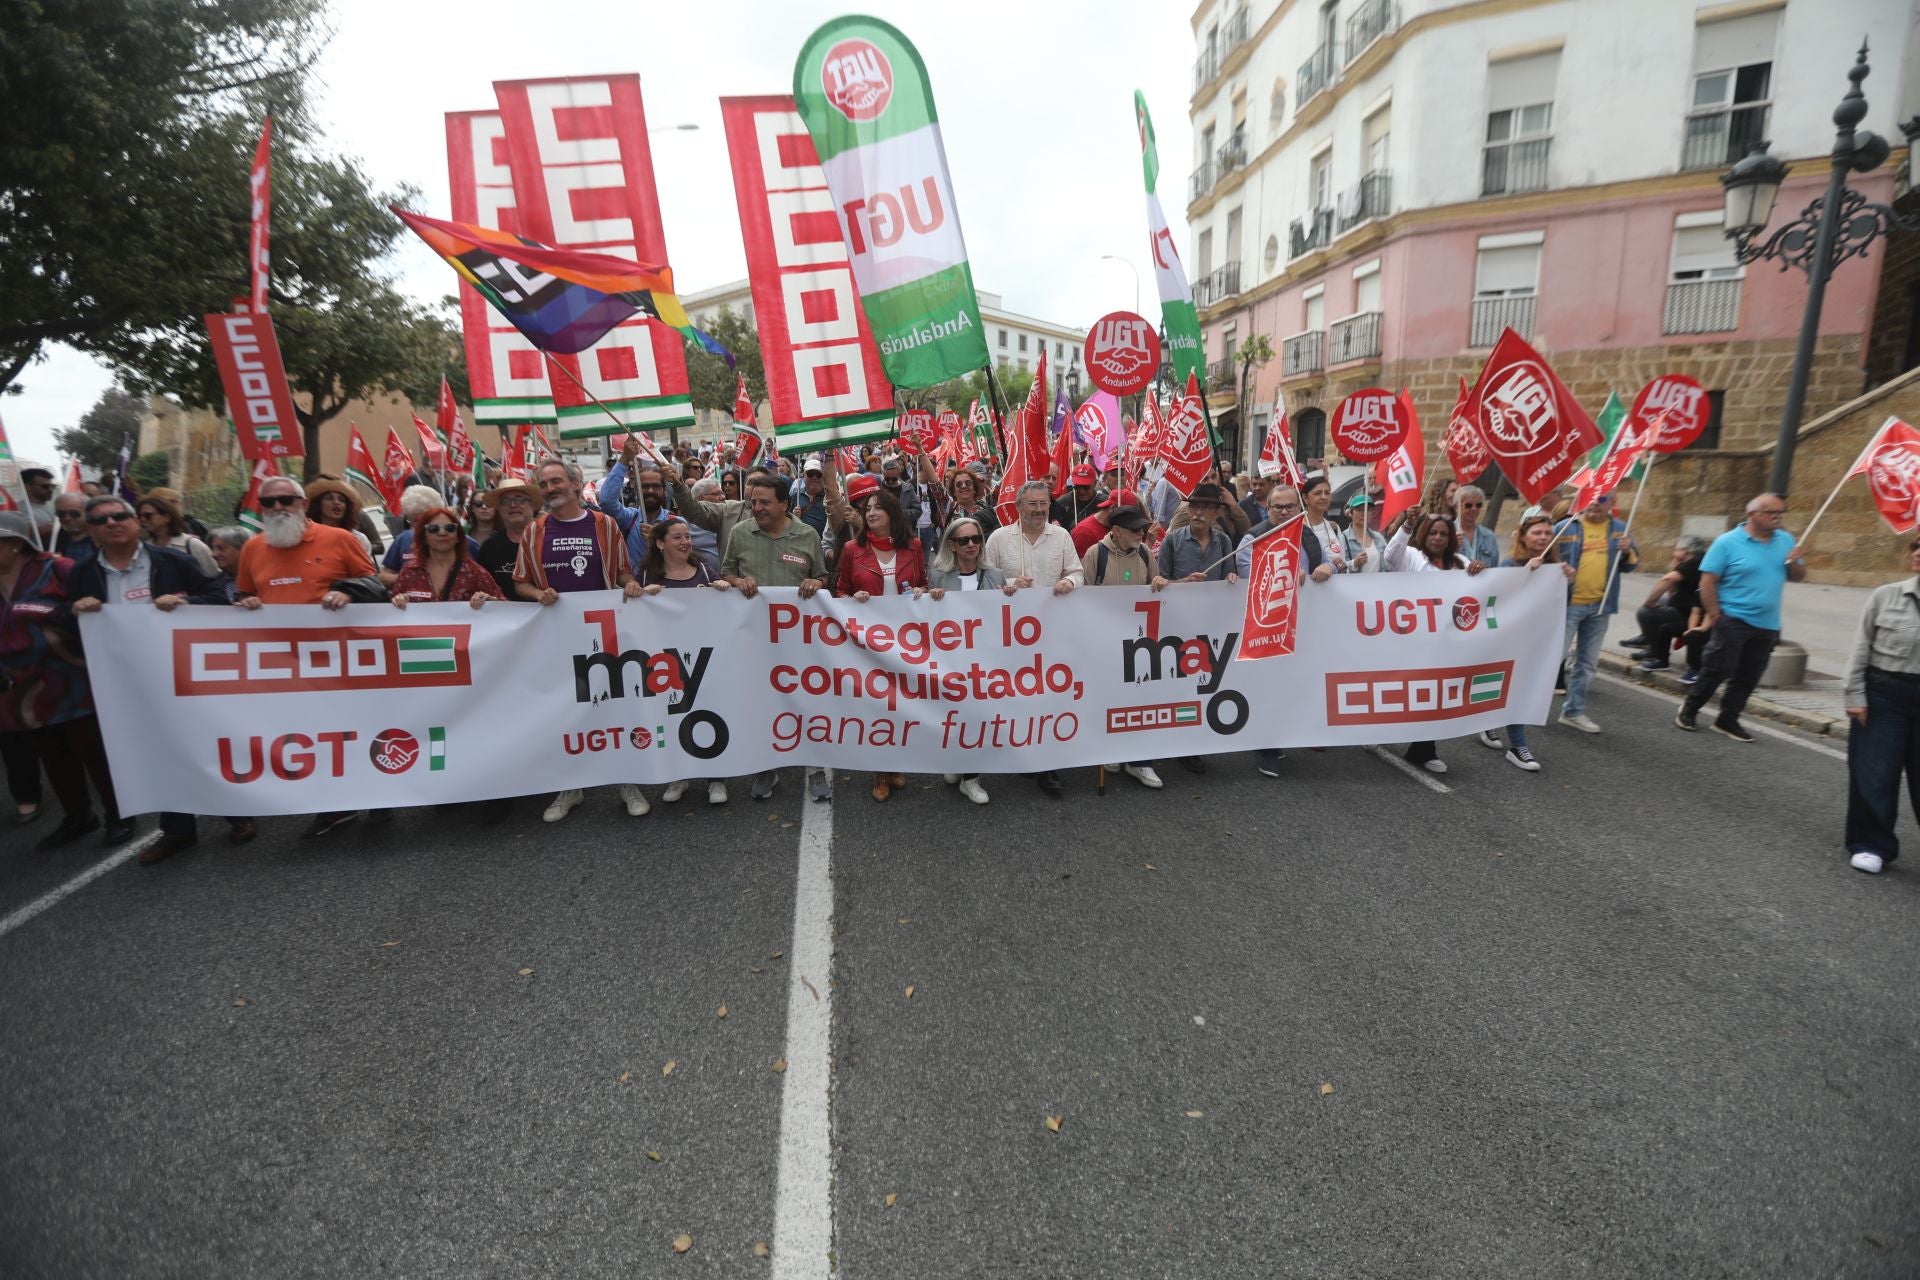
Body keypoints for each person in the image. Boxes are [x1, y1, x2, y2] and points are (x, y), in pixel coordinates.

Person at [70, 494, 237, 863]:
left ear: (136, 522)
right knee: (160, 752)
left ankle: (237, 816)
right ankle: (178, 830)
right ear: (92, 531)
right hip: (129, 682)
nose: (111, 523)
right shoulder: (83, 574)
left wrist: (188, 604)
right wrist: (76, 612)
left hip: (185, 673)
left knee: (205, 743)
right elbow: (68, 630)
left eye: (119, 516)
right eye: (100, 520)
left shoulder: (173, 560)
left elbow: (222, 596)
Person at [235, 476, 384, 839]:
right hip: (285, 667)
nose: (278, 507)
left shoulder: (340, 539)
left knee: (357, 728)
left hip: (343, 659)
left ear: (303, 503)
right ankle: (335, 807)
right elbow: (243, 595)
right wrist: (247, 603)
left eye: (286, 499)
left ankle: (382, 794)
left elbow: (374, 585)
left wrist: (347, 594)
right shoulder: (253, 549)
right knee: (312, 736)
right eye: (269, 502)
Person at [516, 459, 647, 822]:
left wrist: (631, 585)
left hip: (603, 633)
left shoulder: (604, 526)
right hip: (557, 636)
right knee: (564, 709)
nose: (550, 488)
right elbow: (521, 581)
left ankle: (627, 782)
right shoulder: (534, 531)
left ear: (575, 485)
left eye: (556, 481)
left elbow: (623, 573)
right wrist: (536, 594)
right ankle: (570, 786)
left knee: (612, 704)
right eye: (544, 484)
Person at [0, 511, 130, 849]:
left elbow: (97, 609)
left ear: (14, 544)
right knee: (52, 753)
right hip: (24, 685)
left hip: (73, 674)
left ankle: (119, 813)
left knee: (92, 748)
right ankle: (78, 815)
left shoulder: (57, 568)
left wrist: (62, 613)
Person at [722, 470, 828, 801]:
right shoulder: (740, 533)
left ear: (785, 504)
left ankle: (815, 769)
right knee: (762, 703)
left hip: (800, 640)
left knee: (807, 702)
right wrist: (737, 582)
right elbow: (725, 573)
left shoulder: (807, 534)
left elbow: (822, 576)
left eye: (765, 502)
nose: (757, 507)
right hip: (755, 641)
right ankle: (767, 767)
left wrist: (817, 583)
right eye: (754, 501)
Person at [1676, 493, 1807, 741]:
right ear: (1752, 515)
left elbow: (1798, 576)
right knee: (1718, 667)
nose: (1777, 517)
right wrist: (1714, 612)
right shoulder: (1727, 542)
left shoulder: (1787, 540)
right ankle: (1690, 708)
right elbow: (1708, 580)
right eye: (1771, 513)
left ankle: (1728, 719)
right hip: (1733, 617)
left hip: (1768, 623)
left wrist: (1795, 561)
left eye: (1781, 513)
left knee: (1749, 675)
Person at [983, 480, 1081, 796]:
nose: (1039, 510)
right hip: (1011, 633)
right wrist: (1009, 584)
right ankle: (1019, 749)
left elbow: (1077, 573)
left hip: (1052, 630)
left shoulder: (1062, 536)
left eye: (1043, 504)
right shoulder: (998, 539)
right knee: (1016, 693)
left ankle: (1046, 764)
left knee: (1048, 694)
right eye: (1032, 504)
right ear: (1018, 507)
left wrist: (1068, 581)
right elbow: (986, 580)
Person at [834, 488, 925, 803]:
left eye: (876, 508)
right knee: (876, 706)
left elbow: (922, 582)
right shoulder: (851, 548)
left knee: (900, 704)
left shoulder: (913, 546)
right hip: (868, 642)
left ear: (892, 514)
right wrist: (853, 599)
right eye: (867, 509)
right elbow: (840, 591)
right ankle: (879, 771)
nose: (870, 513)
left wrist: (922, 592)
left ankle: (895, 762)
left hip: (905, 641)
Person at [918, 515, 1015, 806]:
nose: (972, 544)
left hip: (985, 661)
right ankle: (955, 761)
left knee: (977, 716)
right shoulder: (937, 575)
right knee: (951, 714)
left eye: (976, 539)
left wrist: (1012, 596)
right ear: (952, 545)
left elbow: (1006, 616)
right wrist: (924, 596)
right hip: (950, 660)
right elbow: (924, 616)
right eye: (964, 540)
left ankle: (971, 778)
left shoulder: (996, 575)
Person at [1383, 511, 1485, 773]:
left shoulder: (1460, 563)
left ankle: (1423, 749)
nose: (1438, 538)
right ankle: (1382, 728)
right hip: (1411, 640)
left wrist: (1480, 571)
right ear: (1424, 534)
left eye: (1443, 533)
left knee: (1435, 696)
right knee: (1402, 691)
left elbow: (1480, 592)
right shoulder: (1412, 557)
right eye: (1433, 532)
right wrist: (1407, 525)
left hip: (1446, 644)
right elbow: (1390, 556)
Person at [1843, 537, 1920, 874]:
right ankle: (1872, 844)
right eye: (1916, 547)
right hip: (1885, 693)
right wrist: (1855, 694)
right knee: (1875, 773)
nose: (1917, 553)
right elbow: (1861, 647)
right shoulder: (1886, 595)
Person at [1081, 506, 1167, 790]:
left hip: (1139, 641)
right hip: (1104, 641)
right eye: (1134, 529)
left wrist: (1160, 582)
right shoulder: (1096, 554)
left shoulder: (1144, 553)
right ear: (1115, 531)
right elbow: (1083, 598)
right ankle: (1111, 750)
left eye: (1142, 529)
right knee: (1108, 698)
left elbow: (1157, 586)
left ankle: (1140, 760)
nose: (1141, 533)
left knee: (1140, 698)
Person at [1481, 514, 1575, 772]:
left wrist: (1567, 580)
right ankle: (1517, 745)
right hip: (1511, 637)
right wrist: (1525, 574)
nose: (1543, 537)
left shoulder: (1555, 564)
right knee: (1512, 687)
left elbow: (1560, 605)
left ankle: (1490, 722)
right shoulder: (1512, 562)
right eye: (1537, 533)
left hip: (1538, 639)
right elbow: (1501, 596)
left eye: (1547, 533)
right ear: (1524, 537)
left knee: (1517, 688)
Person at [1550, 490, 1639, 734]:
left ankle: (1573, 712)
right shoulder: (1565, 526)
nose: (1594, 504)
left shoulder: (1621, 528)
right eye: (1590, 497)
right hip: (1569, 605)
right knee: (1552, 659)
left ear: (1612, 503)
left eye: (1601, 499)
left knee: (1587, 664)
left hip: (1601, 606)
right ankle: (1521, 708)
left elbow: (1632, 565)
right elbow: (1543, 555)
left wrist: (1628, 550)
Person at [389, 506, 504, 609]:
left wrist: (490, 602)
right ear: (423, 537)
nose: (442, 533)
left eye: (449, 528)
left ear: (458, 536)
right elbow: (392, 610)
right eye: (433, 528)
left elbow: (506, 608)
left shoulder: (475, 573)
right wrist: (398, 601)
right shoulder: (409, 572)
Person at [1631, 536, 1709, 680]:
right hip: (1686, 606)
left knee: (1646, 612)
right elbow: (1673, 593)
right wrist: (1674, 568)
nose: (1674, 553)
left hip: (1693, 612)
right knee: (1662, 600)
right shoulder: (1686, 562)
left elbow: (1667, 580)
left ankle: (1655, 651)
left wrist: (1649, 602)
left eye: (1677, 549)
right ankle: (1648, 639)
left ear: (1686, 551)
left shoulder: (1694, 561)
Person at [381, 484, 476, 585]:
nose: (417, 527)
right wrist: (411, 578)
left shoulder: (464, 541)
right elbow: (384, 576)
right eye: (412, 521)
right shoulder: (403, 539)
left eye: (422, 520)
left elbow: (484, 580)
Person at [1157, 483, 1239, 585]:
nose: (1199, 512)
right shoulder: (1171, 541)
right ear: (1188, 509)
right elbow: (1160, 584)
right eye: (1194, 506)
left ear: (1216, 513)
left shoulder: (1224, 541)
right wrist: (1184, 581)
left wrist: (1231, 577)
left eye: (1206, 508)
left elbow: (1228, 579)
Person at [475, 477, 540, 600]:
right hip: (505, 617)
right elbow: (483, 588)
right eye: (505, 501)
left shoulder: (549, 539)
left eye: (519, 499)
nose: (513, 505)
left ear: (532, 505)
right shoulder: (489, 547)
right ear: (498, 509)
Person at [135, 493, 219, 576]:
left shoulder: (192, 545)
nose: (143, 520)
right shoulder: (143, 548)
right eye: (139, 516)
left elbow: (214, 577)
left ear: (167, 517)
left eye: (148, 515)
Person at [303, 478, 374, 557]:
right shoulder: (306, 537)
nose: (337, 502)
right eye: (329, 498)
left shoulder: (359, 539)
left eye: (342, 500)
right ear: (318, 505)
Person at [1297, 473, 1349, 576]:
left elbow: (1343, 566)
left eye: (1327, 493)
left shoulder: (1334, 527)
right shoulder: (1297, 529)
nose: (1323, 497)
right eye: (1318, 493)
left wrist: (1338, 566)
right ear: (1305, 498)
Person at [1069, 488, 1142, 558]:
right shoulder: (1084, 532)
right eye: (1128, 516)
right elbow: (1082, 568)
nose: (1130, 520)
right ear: (1112, 508)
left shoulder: (1116, 526)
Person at [1454, 484, 1500, 568]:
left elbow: (1494, 567)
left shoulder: (1489, 536)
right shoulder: (1447, 532)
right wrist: (1452, 547)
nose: (1474, 509)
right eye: (1469, 505)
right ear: (1457, 506)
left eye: (1478, 505)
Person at [1341, 492, 1387, 572]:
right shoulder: (1342, 537)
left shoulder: (1379, 537)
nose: (1364, 513)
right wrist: (1354, 563)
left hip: (1379, 584)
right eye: (1359, 510)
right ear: (1351, 513)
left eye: (1368, 510)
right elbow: (1337, 568)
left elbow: (1388, 565)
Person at [1050, 463, 1106, 529]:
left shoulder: (1105, 504)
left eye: (1086, 487)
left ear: (1095, 483)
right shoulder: (1062, 503)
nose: (1081, 491)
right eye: (1077, 486)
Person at [52, 492, 95, 565]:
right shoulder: (52, 538)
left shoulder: (102, 540)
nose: (66, 518)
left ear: (89, 514)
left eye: (74, 513)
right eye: (61, 514)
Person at [21, 467, 56, 542]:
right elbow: (30, 531)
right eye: (45, 486)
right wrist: (60, 524)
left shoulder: (55, 507)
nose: (50, 490)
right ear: (28, 487)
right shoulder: (18, 509)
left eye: (52, 486)